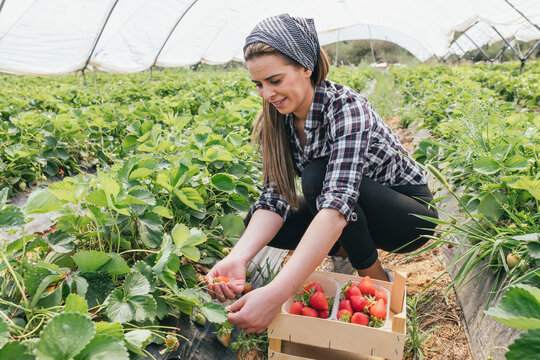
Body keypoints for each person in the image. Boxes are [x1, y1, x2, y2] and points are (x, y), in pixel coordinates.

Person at [206, 14, 438, 334]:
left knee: (317, 177)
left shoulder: (346, 107)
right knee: (260, 221)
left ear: (306, 68)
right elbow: (274, 198)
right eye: (258, 85)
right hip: (349, 208)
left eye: (274, 80)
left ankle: (374, 277)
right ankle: (344, 249)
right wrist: (239, 256)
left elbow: (337, 204)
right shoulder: (277, 123)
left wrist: (277, 293)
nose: (266, 94)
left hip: (408, 217)